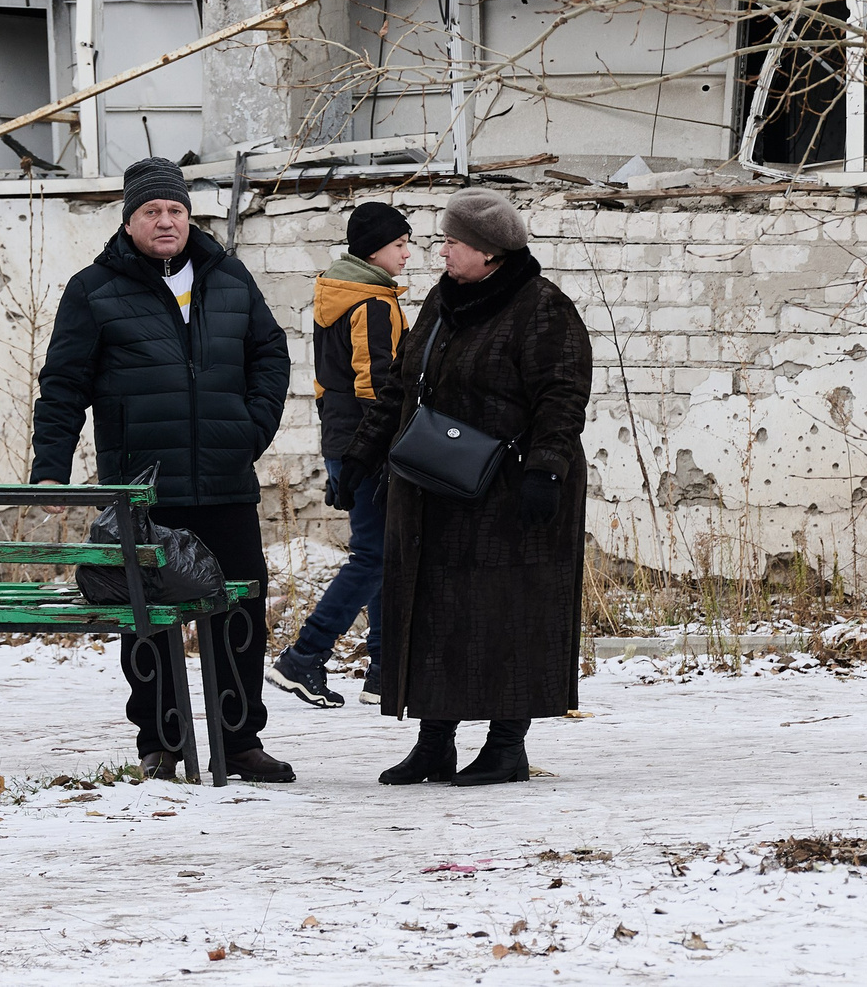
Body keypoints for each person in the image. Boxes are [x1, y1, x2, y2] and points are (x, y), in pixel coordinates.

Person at [31, 156, 297, 781]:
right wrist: (50, 468)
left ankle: (239, 741)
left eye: (175, 209)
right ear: (129, 221)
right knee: (146, 616)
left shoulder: (229, 277)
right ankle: (161, 741)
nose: (166, 221)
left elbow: (270, 354)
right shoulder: (93, 289)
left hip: (226, 483)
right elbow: (63, 384)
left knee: (239, 611)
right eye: (151, 211)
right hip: (142, 490)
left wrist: (250, 431)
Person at [344, 187, 592, 786]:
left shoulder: (541, 307)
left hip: (512, 489)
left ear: (488, 251)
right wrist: (362, 453)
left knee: (509, 611)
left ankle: (507, 746)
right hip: (434, 482)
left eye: (452, 242)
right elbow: (403, 383)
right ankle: (435, 743)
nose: (441, 252)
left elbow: (562, 395)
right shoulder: (442, 300)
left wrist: (546, 470)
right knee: (434, 609)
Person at [267, 201, 413, 709]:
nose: (407, 254)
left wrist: (341, 451)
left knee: (383, 553)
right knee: (375, 556)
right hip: (369, 446)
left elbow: (326, 383)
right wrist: (373, 452)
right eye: (400, 245)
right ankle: (303, 657)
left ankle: (382, 672)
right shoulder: (372, 303)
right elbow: (377, 386)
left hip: (344, 440)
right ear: (374, 250)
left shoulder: (334, 294)